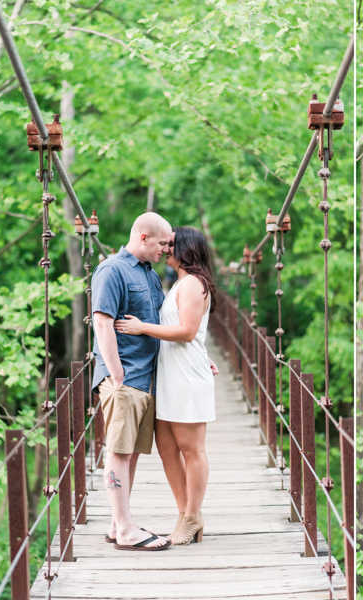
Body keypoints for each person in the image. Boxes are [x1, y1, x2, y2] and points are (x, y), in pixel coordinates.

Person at [114, 226, 219, 546]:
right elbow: (189, 331)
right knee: (167, 447)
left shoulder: (192, 284)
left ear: (187, 248)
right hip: (171, 374)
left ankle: (191, 517)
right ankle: (185, 513)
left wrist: (142, 327)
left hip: (186, 376)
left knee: (191, 448)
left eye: (171, 244)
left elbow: (187, 332)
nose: (165, 248)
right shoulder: (179, 284)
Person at [91, 212, 173, 551]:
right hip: (124, 378)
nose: (168, 250)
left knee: (131, 453)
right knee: (119, 452)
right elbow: (101, 321)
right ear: (143, 238)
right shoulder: (112, 270)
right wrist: (116, 371)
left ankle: (117, 522)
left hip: (146, 379)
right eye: (163, 243)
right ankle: (125, 529)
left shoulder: (150, 275)